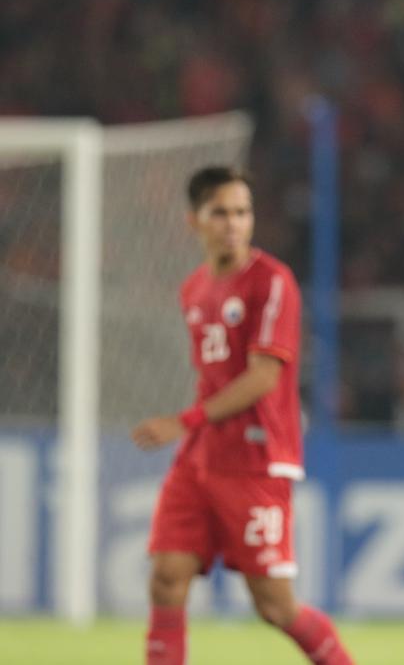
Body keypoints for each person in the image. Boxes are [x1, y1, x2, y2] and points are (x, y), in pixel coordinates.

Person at [131, 167, 353, 665]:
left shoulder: (271, 282)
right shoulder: (193, 288)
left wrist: (181, 421)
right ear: (194, 221)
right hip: (199, 458)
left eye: (242, 212)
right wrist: (192, 431)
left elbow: (262, 377)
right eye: (221, 213)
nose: (233, 223)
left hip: (255, 459)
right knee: (166, 579)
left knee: (274, 606)